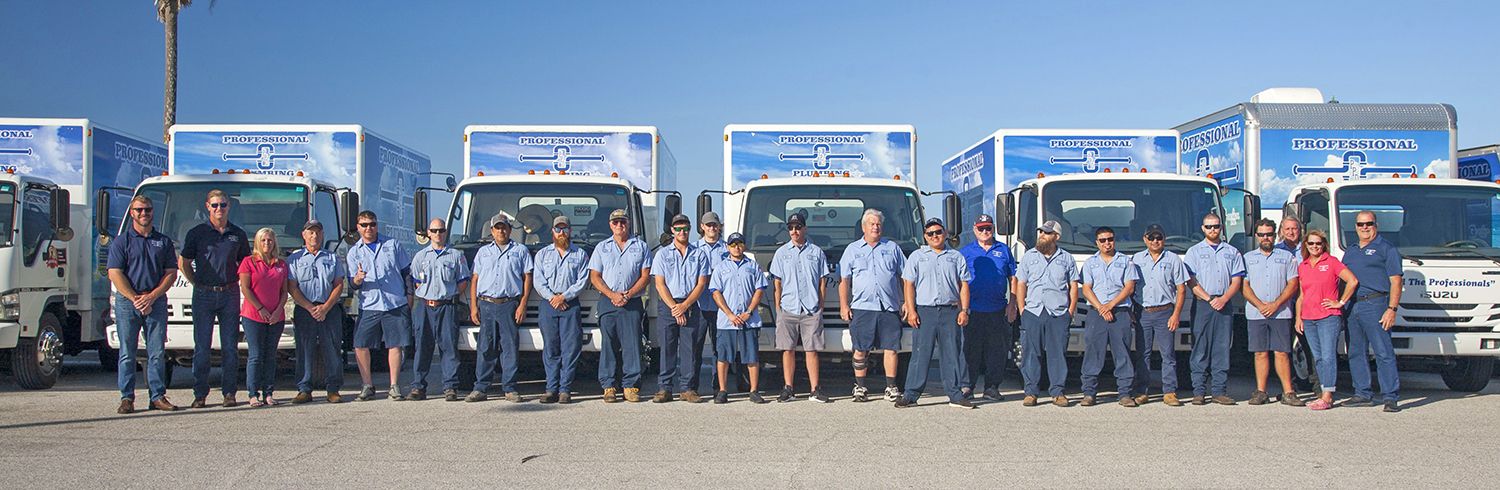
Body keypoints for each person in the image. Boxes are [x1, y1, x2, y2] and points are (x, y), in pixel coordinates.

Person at [107, 195, 180, 414]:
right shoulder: (122, 242)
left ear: (152, 212)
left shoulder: (164, 241)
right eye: (139, 210)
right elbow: (115, 273)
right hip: (128, 303)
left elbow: (171, 273)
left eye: (147, 210)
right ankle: (127, 398)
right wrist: (136, 299)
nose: (143, 214)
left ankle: (157, 396)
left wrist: (153, 296)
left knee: (157, 352)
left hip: (155, 302)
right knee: (128, 352)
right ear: (132, 213)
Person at [180, 189, 251, 409]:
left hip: (229, 293)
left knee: (230, 347)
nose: (219, 209)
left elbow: (245, 264)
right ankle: (200, 394)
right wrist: (197, 283)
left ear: (229, 207)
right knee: (202, 347)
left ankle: (229, 393)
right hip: (203, 294)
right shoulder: (197, 233)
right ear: (207, 207)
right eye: (214, 205)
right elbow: (184, 263)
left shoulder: (237, 234)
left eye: (222, 205)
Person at [894, 218, 973, 409]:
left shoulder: (956, 256)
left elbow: (964, 285)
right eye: (930, 233)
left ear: (945, 234)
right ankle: (911, 394)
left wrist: (964, 310)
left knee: (952, 354)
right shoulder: (916, 256)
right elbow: (909, 285)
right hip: (925, 311)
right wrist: (911, 310)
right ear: (925, 236)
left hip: (950, 311)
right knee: (921, 354)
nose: (935, 236)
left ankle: (955, 394)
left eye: (938, 232)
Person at [838, 209, 906, 402]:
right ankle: (860, 387)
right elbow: (844, 280)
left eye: (878, 224)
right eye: (872, 224)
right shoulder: (852, 250)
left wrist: (907, 302)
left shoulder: (892, 248)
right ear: (863, 227)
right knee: (860, 349)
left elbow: (905, 277)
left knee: (891, 348)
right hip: (862, 308)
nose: (875, 227)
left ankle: (891, 387)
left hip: (889, 307)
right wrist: (844, 305)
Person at [347, 210, 413, 401]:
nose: (369, 228)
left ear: (377, 225)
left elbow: (406, 272)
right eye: (364, 225)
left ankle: (394, 385)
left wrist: (409, 295)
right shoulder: (354, 252)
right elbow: (352, 283)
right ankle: (367, 385)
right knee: (360, 344)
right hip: (370, 304)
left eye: (372, 224)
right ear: (358, 228)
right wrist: (358, 280)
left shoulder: (392, 245)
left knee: (395, 345)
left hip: (394, 303)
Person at [1341, 211, 1404, 412]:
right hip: (1353, 305)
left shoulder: (1386, 249)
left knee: (1383, 351)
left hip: (1376, 304)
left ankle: (1390, 396)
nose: (1365, 228)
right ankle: (1362, 393)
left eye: (1369, 224)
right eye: (1360, 224)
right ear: (1356, 227)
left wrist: (1392, 309)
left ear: (1376, 225)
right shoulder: (1350, 251)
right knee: (1355, 351)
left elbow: (1396, 281)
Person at [588, 209, 652, 403]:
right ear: (610, 225)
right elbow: (595, 276)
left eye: (622, 221)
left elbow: (645, 276)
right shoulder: (602, 248)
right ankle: (608, 386)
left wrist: (628, 294)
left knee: (632, 345)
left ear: (628, 223)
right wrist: (612, 295)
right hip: (608, 301)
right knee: (609, 344)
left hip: (632, 302)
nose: (619, 225)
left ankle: (630, 385)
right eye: (615, 222)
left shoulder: (640, 246)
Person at [468, 213, 532, 403]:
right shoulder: (483, 252)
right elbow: (475, 280)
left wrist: (522, 304)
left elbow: (527, 277)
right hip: (486, 304)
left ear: (510, 230)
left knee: (509, 347)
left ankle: (510, 388)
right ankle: (480, 387)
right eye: (497, 227)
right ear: (492, 231)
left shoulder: (520, 251)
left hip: (509, 304)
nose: (501, 230)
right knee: (485, 347)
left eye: (504, 227)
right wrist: (473, 307)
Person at [1014, 220, 1078, 407]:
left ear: (1056, 237)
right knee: (1030, 353)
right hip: (1033, 311)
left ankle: (1058, 392)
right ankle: (1031, 392)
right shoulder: (1029, 257)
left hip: (1057, 313)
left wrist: (1070, 310)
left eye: (1047, 233)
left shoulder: (1066, 258)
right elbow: (1021, 283)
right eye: (1041, 232)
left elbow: (1073, 285)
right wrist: (1022, 309)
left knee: (1057, 353)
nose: (1042, 235)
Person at [1241, 219, 1304, 406]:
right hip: (1256, 313)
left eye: (1268, 234)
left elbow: (1293, 284)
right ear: (1257, 236)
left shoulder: (1287, 257)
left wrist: (1276, 304)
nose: (1265, 237)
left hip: (1281, 312)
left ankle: (1288, 392)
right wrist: (1260, 305)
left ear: (1275, 234)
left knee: (1282, 352)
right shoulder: (1248, 258)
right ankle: (1261, 391)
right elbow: (1244, 286)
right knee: (1260, 353)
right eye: (1261, 234)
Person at [769, 212, 831, 403]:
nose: (794, 231)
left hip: (810, 309)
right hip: (788, 308)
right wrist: (779, 308)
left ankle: (814, 389)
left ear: (805, 228)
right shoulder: (781, 253)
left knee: (811, 350)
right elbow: (777, 284)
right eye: (791, 228)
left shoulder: (816, 252)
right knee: (787, 350)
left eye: (797, 227)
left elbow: (822, 282)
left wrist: (820, 305)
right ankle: (788, 388)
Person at [410, 218, 474, 402]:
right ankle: (418, 387)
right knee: (422, 347)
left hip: (447, 306)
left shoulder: (455, 255)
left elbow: (463, 280)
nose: (438, 234)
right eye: (434, 230)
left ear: (446, 232)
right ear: (428, 233)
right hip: (425, 307)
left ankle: (450, 387)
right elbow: (415, 281)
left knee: (449, 348)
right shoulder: (420, 257)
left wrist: (451, 295)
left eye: (441, 230)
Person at [1184, 213, 1244, 405]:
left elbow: (1237, 280)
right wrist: (1209, 298)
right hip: (1203, 304)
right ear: (1203, 228)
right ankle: (1199, 392)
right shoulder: (1194, 252)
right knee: (1200, 347)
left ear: (1221, 227)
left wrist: (1224, 298)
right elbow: (1190, 281)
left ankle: (1219, 391)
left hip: (1224, 305)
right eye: (1209, 227)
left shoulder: (1232, 252)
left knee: (1221, 348)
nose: (1213, 230)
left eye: (1216, 226)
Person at [651, 214, 711, 403]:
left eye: (685, 228)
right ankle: (664, 388)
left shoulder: (699, 254)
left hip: (691, 304)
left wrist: (685, 305)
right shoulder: (662, 254)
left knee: (689, 348)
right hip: (668, 304)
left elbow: (702, 284)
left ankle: (687, 389)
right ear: (672, 230)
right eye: (678, 228)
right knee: (667, 348)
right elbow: (659, 284)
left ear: (690, 229)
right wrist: (675, 308)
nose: (682, 232)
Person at [1295, 229, 1358, 411]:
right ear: (1306, 245)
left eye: (1318, 243)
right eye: (1311, 243)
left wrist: (1341, 302)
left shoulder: (1331, 262)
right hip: (1308, 318)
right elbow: (1302, 295)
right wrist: (1298, 317)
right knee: (1318, 357)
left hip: (1328, 317)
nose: (1315, 246)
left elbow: (1352, 281)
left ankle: (1328, 395)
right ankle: (1323, 392)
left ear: (1324, 245)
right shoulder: (1304, 266)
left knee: (1329, 356)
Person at [958, 214, 1017, 402]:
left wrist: (1012, 304)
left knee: (996, 350)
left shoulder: (1004, 250)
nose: (985, 232)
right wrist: (962, 308)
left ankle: (992, 387)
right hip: (973, 309)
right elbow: (959, 281)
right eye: (981, 228)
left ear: (993, 229)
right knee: (970, 349)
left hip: (997, 308)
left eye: (988, 228)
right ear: (975, 229)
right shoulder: (966, 251)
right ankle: (967, 386)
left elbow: (1013, 278)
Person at [287, 219, 347, 404]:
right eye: (310, 232)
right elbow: (292, 287)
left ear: (322, 235)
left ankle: (333, 389)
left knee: (332, 349)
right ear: (304, 235)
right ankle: (304, 389)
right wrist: (309, 307)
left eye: (317, 232)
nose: (314, 236)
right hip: (305, 309)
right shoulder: (294, 259)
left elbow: (338, 285)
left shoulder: (331, 258)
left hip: (329, 309)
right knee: (305, 349)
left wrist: (326, 307)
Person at [530, 215, 589, 404]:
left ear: (570, 231)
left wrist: (564, 297)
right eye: (558, 229)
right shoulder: (542, 255)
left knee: (570, 349)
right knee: (551, 348)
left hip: (570, 305)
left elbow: (582, 281)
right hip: (548, 305)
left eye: (564, 229)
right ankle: (551, 388)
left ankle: (565, 389)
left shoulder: (580, 255)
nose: (561, 232)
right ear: (552, 232)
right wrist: (553, 298)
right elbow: (538, 281)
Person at [1129, 224, 1189, 406]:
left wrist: (1176, 314)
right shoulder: (1136, 259)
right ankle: (1142, 391)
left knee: (1168, 354)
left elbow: (1181, 289)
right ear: (1145, 239)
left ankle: (1170, 392)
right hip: (1143, 312)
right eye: (1151, 237)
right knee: (1142, 354)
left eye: (1159, 237)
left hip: (1165, 312)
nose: (1155, 241)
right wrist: (1132, 311)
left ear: (1164, 239)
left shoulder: (1174, 259)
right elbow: (1130, 287)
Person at [1078, 226, 1138, 407]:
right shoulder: (1090, 263)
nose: (1107, 243)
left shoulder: (1126, 261)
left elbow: (1129, 287)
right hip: (1096, 314)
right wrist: (1101, 308)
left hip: (1120, 313)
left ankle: (1125, 394)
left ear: (1114, 240)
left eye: (1110, 239)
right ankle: (1089, 393)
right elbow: (1086, 288)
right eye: (1102, 240)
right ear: (1097, 242)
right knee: (1093, 353)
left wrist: (1110, 305)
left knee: (1123, 354)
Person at [709, 233, 768, 404]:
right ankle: (722, 390)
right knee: (724, 357)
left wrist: (749, 311)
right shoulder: (720, 268)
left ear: (744, 246)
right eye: (733, 244)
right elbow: (715, 292)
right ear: (727, 247)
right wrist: (729, 314)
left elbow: (760, 290)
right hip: (727, 321)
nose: (736, 247)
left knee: (751, 356)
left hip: (749, 319)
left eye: (739, 243)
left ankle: (754, 390)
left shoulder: (753, 266)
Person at [238, 228, 290, 407]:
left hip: (276, 316)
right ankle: (253, 394)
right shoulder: (248, 262)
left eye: (270, 240)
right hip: (253, 315)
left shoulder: (281, 264)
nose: (267, 243)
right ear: (257, 242)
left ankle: (268, 392)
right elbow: (245, 288)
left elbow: (284, 291)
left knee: (270, 355)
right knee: (256, 355)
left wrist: (277, 311)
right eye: (263, 240)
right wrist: (260, 308)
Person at [695, 211, 735, 392]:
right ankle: (692, 384)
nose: (712, 228)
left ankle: (719, 384)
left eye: (715, 225)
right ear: (702, 227)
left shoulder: (728, 249)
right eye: (708, 225)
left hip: (722, 306)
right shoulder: (694, 248)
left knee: (720, 347)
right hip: (699, 304)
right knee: (696, 346)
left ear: (719, 227)